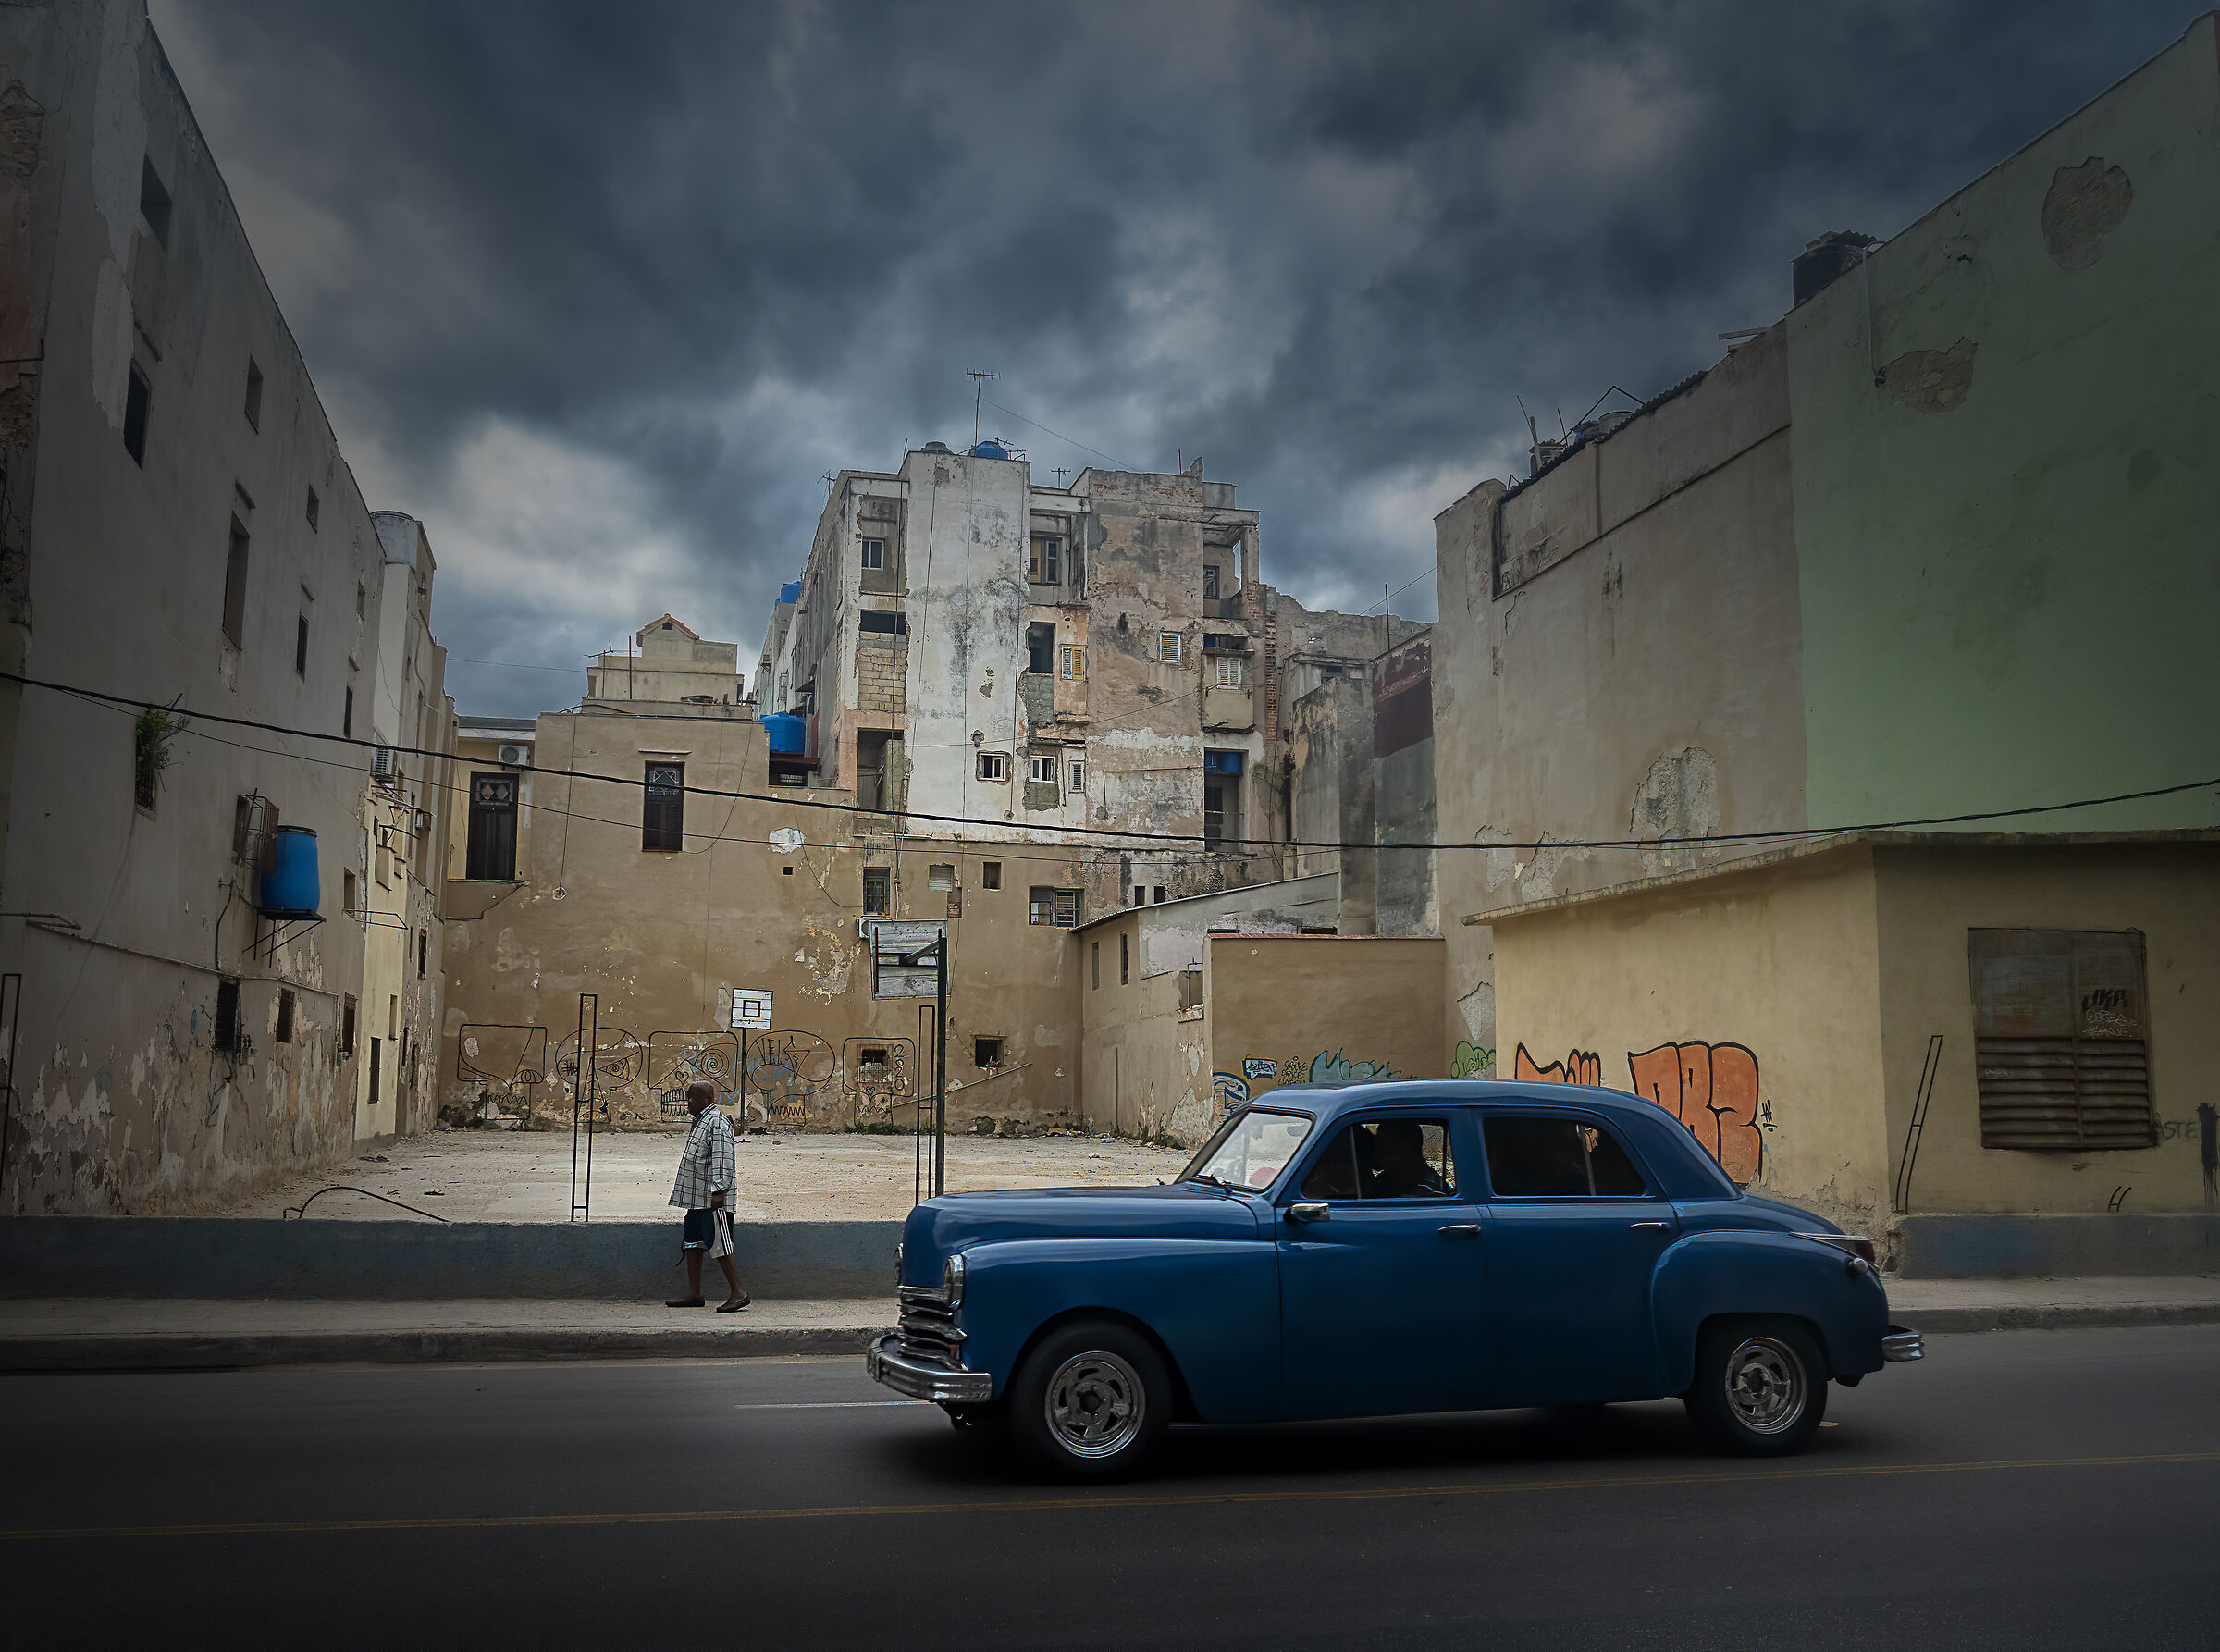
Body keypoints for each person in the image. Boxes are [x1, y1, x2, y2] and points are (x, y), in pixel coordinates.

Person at [667, 1079, 749, 1311]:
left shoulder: (717, 1121)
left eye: (693, 1098)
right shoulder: (701, 1120)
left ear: (708, 1099)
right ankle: (694, 1294)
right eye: (688, 1097)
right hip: (696, 1198)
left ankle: (738, 1293)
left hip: (712, 1198)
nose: (689, 1101)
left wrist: (719, 1193)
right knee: (692, 1243)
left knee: (719, 1243)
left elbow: (723, 1159)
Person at [1365, 1118, 1449, 1199]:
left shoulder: (1431, 1193)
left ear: (1404, 1149)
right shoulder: (1387, 1180)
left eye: (1382, 1146)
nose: (1376, 1152)